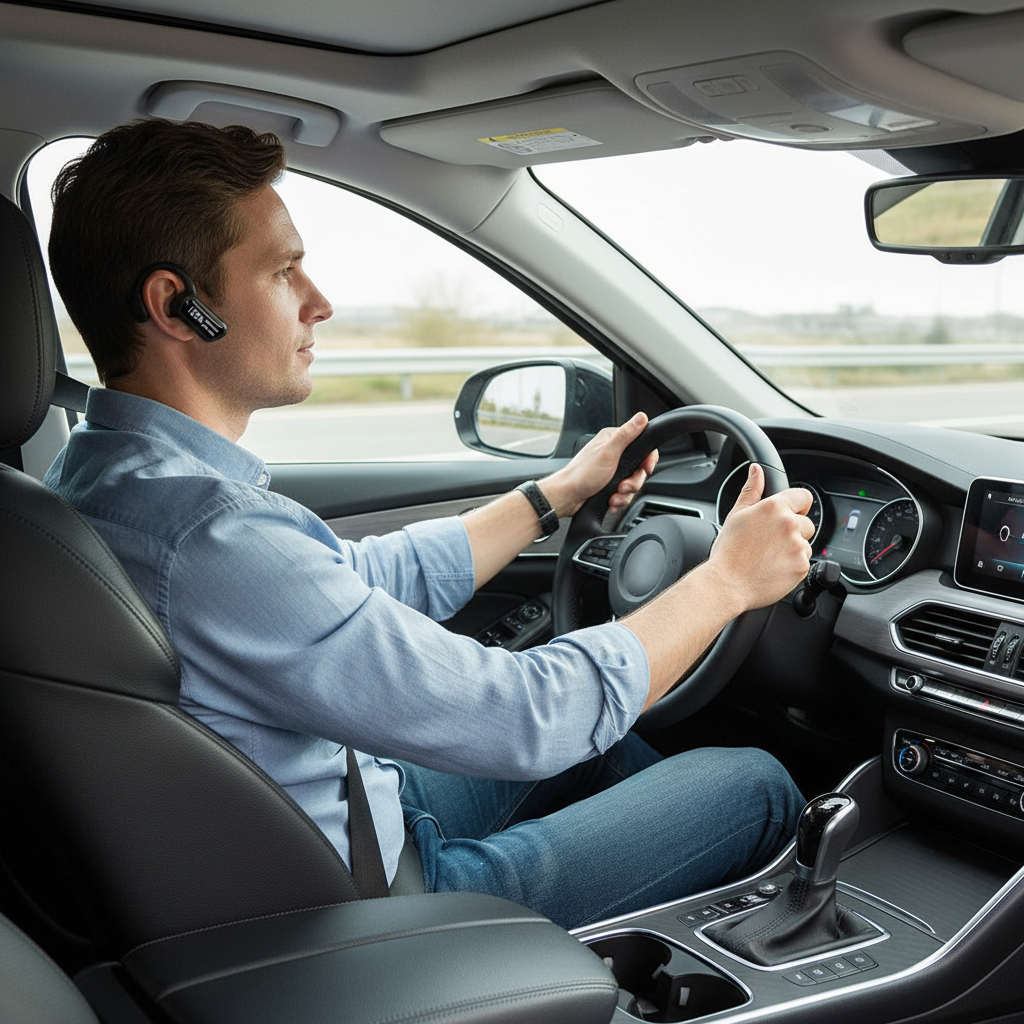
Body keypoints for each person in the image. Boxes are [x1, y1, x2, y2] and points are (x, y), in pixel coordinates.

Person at [43, 118, 814, 930]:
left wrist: (553, 496)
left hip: (321, 827)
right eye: (284, 271)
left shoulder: (101, 478)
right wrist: (727, 582)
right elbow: (528, 717)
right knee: (754, 781)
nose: (320, 303)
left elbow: (354, 582)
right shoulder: (211, 535)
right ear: (178, 306)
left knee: (610, 746)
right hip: (366, 910)